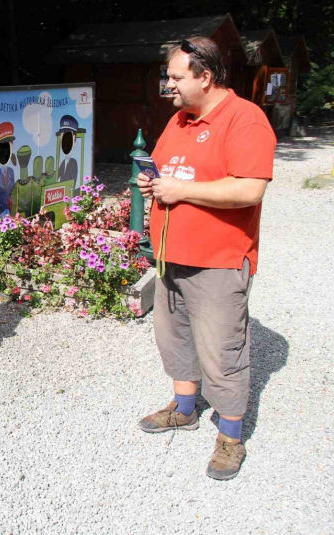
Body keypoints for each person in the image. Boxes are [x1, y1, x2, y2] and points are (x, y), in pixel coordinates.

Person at [136, 37, 276, 480]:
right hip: (170, 256)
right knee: (174, 336)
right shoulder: (180, 119)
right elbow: (167, 171)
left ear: (206, 76)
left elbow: (249, 189)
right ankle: (184, 408)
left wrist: (182, 190)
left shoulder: (245, 119)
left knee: (222, 350)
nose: (168, 85)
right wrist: (153, 185)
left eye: (176, 77)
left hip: (218, 260)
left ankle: (231, 436)